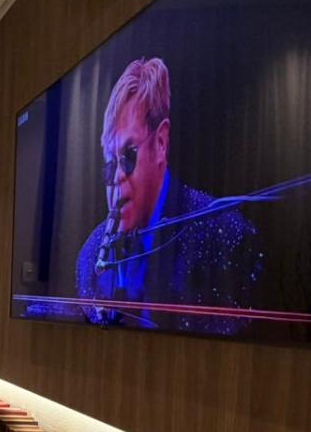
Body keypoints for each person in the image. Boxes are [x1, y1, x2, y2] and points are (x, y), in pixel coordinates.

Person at [75, 57, 261, 334]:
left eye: (128, 155)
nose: (116, 178)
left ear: (161, 143)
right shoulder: (89, 256)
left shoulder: (226, 235)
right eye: (110, 164)